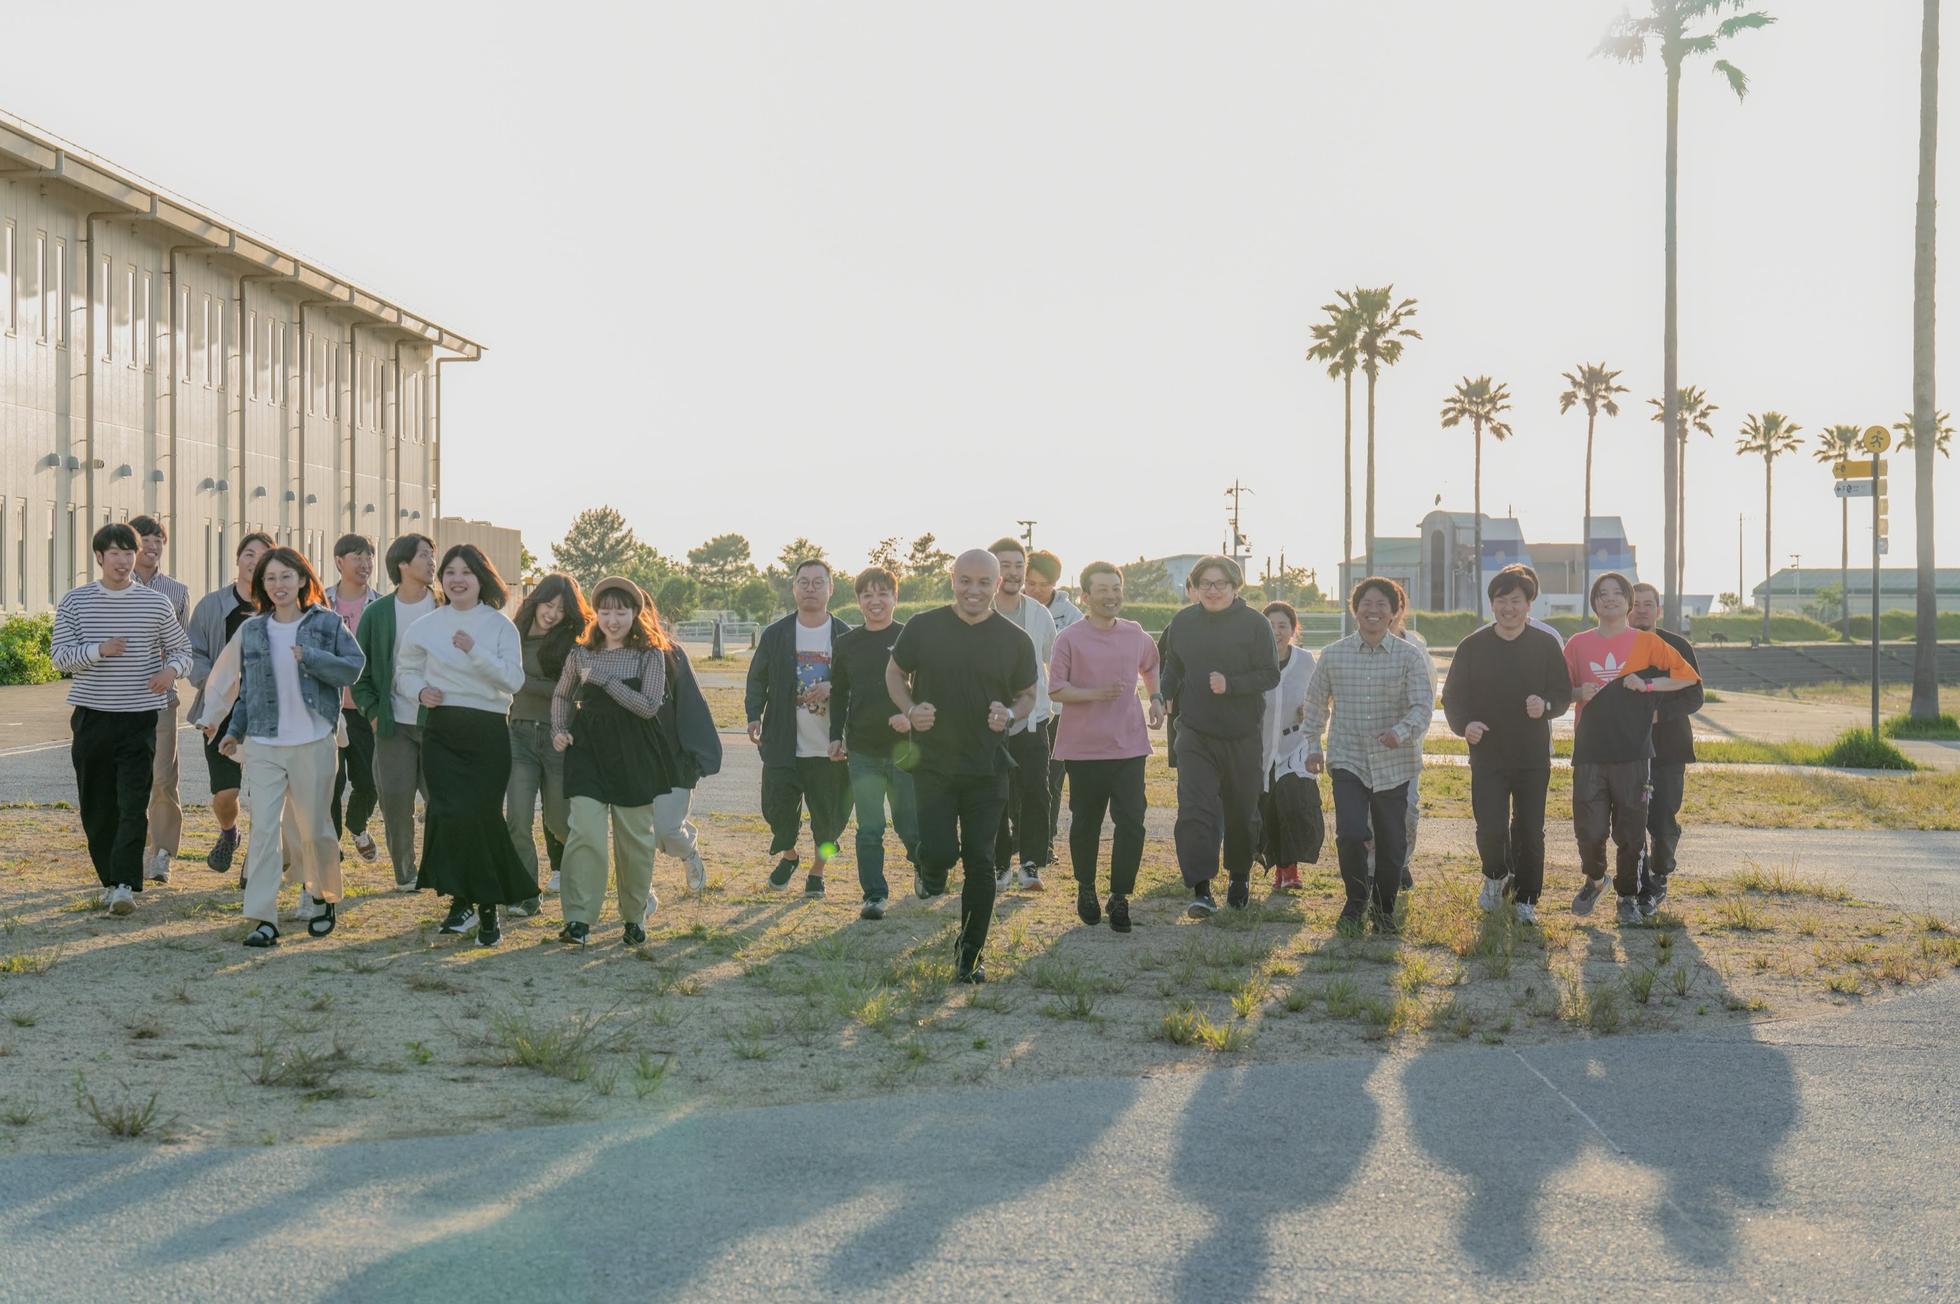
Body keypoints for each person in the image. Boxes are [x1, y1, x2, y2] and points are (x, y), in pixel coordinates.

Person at [886, 549, 1038, 983]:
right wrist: (911, 709)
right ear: (952, 579)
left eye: (984, 582)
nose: (974, 590)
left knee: (980, 859)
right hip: (933, 764)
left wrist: (1010, 714)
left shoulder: (1014, 639)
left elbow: (1028, 694)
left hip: (987, 767)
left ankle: (970, 955)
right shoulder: (924, 626)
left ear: (998, 584)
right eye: (965, 580)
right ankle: (931, 869)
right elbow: (894, 673)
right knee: (939, 851)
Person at [219, 548, 365, 946]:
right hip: (264, 743)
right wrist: (235, 730)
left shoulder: (327, 623)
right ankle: (263, 918)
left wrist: (311, 657)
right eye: (270, 578)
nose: (278, 585)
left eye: (285, 576)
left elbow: (353, 667)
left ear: (302, 579)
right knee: (264, 831)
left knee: (314, 828)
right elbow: (248, 689)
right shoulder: (253, 630)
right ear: (261, 585)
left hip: (313, 741)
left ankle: (323, 897)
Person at [51, 523, 194, 916]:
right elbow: (60, 657)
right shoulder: (76, 602)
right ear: (99, 557)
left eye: (129, 552)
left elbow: (183, 650)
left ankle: (125, 886)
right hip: (92, 718)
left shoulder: (156, 604)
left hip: (138, 718)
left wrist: (170, 672)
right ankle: (110, 881)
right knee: (97, 807)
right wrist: (100, 650)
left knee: (133, 804)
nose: (123, 560)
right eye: (114, 552)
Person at [397, 544, 530, 945]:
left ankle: (487, 909)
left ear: (481, 578)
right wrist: (420, 691)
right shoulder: (426, 625)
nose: (457, 579)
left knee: (481, 815)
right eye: (450, 572)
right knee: (449, 813)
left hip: (487, 730)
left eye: (466, 572)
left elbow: (513, 680)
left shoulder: (500, 626)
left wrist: (475, 651)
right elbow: (404, 671)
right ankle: (461, 904)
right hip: (442, 730)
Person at [1563, 572, 1701, 926]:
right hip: (1590, 749)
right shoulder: (1577, 644)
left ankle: (1626, 897)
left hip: (1634, 752)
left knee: (1631, 834)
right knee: (1589, 830)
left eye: (1617, 593)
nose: (1609, 599)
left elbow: (1688, 678)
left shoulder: (1646, 642)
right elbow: (1559, 690)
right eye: (1602, 594)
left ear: (1627, 602)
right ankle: (1596, 880)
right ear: (1594, 602)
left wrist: (1648, 684)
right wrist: (1578, 693)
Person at [1303, 577, 1433, 933]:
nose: (1373, 611)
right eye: (1366, 604)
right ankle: (1355, 900)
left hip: (1394, 762)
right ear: (1355, 610)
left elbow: (1422, 707)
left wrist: (1399, 732)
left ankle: (1383, 909)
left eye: (1381, 605)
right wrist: (1313, 745)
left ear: (1394, 613)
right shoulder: (1334, 654)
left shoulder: (1409, 656)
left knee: (1392, 839)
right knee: (1350, 832)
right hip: (1348, 757)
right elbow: (1315, 703)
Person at [1441, 567, 1571, 923]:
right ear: (1492, 604)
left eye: (1516, 601)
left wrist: (1545, 705)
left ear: (1529, 605)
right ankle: (1495, 877)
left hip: (1532, 756)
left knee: (1530, 830)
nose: (1508, 608)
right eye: (1502, 600)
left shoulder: (1545, 645)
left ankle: (1526, 899)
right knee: (1490, 827)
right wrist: (1464, 725)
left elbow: (1562, 694)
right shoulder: (1472, 646)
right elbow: (1452, 696)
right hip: (1488, 755)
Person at [550, 577, 673, 945]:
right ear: (596, 614)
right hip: (587, 751)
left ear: (635, 613)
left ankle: (634, 918)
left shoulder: (650, 655)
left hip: (634, 752)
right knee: (585, 833)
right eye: (605, 612)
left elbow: (648, 707)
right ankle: (578, 920)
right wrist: (559, 729)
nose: (612, 620)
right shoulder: (581, 654)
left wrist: (604, 680)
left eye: (621, 612)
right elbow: (562, 695)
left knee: (634, 840)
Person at [1158, 556, 1279, 916]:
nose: (1212, 590)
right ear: (1194, 588)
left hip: (1242, 734)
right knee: (1195, 809)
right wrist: (1164, 694)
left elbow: (1270, 674)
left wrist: (1232, 685)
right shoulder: (1183, 622)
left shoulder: (1255, 624)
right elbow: (1174, 664)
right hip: (1195, 731)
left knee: (1241, 811)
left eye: (1220, 584)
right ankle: (1201, 889)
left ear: (1235, 587)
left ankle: (1239, 877)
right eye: (1205, 584)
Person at [1047, 561, 1162, 933]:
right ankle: (1086, 888)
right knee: (1086, 823)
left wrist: (1156, 697)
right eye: (1102, 590)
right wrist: (1095, 694)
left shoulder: (1134, 633)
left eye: (1116, 589)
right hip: (1084, 749)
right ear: (1086, 596)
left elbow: (1151, 665)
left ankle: (1120, 896)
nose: (1111, 596)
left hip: (1130, 747)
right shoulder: (1069, 638)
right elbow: (1056, 689)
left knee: (1132, 822)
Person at [745, 558, 853, 895]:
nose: (810, 589)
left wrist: (833, 686)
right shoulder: (776, 634)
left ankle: (817, 872)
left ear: (831, 588)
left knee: (830, 819)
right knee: (776, 810)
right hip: (783, 742)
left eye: (818, 582)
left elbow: (860, 683)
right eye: (803, 582)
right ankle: (790, 856)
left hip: (830, 747)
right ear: (793, 588)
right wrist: (753, 715)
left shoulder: (846, 635)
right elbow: (757, 678)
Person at [828, 566, 919, 921]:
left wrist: (910, 716)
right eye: (867, 594)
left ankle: (924, 867)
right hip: (862, 749)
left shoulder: (910, 638)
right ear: (858, 601)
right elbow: (839, 694)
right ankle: (874, 895)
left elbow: (928, 686)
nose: (875, 601)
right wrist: (836, 736)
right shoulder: (846, 644)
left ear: (895, 597)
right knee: (869, 828)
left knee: (909, 823)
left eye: (883, 593)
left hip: (904, 748)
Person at [351, 533, 437, 890]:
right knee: (396, 803)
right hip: (392, 725)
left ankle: (438, 868)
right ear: (402, 564)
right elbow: (359, 672)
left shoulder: (445, 607)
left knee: (443, 801)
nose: (432, 562)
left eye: (433, 555)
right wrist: (373, 713)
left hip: (439, 725)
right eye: (424, 555)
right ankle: (405, 874)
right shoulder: (377, 613)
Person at [186, 532, 274, 878]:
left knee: (267, 793)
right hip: (220, 712)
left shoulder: (280, 606)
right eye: (248, 554)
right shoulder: (212, 605)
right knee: (226, 792)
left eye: (263, 555)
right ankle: (228, 833)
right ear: (237, 559)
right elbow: (192, 651)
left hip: (266, 712)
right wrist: (214, 682)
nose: (254, 561)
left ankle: (254, 864)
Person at [508, 573, 590, 907]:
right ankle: (526, 894)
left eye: (561, 609)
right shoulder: (512, 635)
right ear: (536, 600)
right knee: (517, 820)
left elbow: (573, 692)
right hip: (518, 736)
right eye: (548, 604)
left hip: (558, 738)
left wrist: (523, 681)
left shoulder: (572, 644)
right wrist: (544, 687)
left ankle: (588, 873)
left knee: (559, 822)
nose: (552, 614)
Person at [1629, 580, 1704, 918]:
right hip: (1627, 750)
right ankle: (1642, 885)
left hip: (1670, 749)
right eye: (1635, 604)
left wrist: (1658, 715)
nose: (1641, 610)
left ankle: (1660, 872)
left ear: (1658, 610)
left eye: (1648, 604)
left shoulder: (1677, 646)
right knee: (1632, 820)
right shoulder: (1618, 646)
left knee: (1661, 819)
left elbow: (1695, 696)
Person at [987, 536, 1058, 892]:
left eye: (1019, 566)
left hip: (1033, 721)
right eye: (1005, 565)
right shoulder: (979, 611)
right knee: (996, 795)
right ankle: (999, 864)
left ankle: (1030, 863)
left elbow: (1052, 661)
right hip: (988, 723)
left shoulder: (1039, 614)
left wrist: (1054, 707)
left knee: (1036, 793)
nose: (1013, 573)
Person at [130, 516, 191, 885]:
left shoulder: (177, 591)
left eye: (158, 540)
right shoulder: (116, 587)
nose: (152, 547)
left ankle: (163, 853)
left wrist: (171, 671)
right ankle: (132, 848)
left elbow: (183, 647)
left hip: (162, 697)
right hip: (120, 699)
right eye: (145, 540)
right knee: (127, 777)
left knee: (163, 777)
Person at [1256, 602, 1325, 894]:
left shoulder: (1306, 661)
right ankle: (1278, 869)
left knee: (1294, 803)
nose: (1276, 632)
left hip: (1295, 744)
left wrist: (1310, 711)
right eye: (1270, 626)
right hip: (1260, 747)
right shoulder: (1254, 661)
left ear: (1294, 629)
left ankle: (1291, 870)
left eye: (1282, 626)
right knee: (1269, 808)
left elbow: (1320, 698)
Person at [324, 534, 383, 862]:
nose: (365, 564)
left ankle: (357, 825)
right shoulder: (321, 602)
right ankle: (330, 845)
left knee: (370, 781)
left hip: (365, 709)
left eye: (369, 557)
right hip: (329, 709)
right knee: (331, 782)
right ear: (339, 561)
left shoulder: (381, 605)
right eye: (357, 557)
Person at [1025, 548, 1082, 864]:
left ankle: (1044, 842)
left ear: (1055, 583)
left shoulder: (1070, 616)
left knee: (1051, 780)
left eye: (1042, 584)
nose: (1035, 590)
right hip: (1022, 708)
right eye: (1030, 583)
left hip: (1057, 712)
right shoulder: (1014, 608)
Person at [652, 635, 720, 896]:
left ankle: (689, 852)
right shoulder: (606, 652)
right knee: (640, 837)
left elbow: (692, 706)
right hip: (631, 762)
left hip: (674, 762)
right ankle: (642, 898)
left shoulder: (671, 653)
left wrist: (698, 758)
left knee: (666, 830)